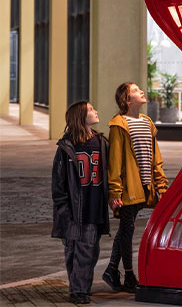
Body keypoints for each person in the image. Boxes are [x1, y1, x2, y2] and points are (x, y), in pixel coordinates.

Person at [102, 82, 169, 292]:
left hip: (145, 186)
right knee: (127, 229)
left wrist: (161, 185)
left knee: (125, 228)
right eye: (135, 90)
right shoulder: (119, 125)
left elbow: (155, 158)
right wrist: (114, 191)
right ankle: (129, 275)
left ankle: (112, 269)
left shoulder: (147, 122)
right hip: (129, 187)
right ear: (127, 100)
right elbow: (114, 162)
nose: (141, 91)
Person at [51, 101, 110, 304]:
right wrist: (63, 208)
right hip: (71, 211)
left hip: (93, 208)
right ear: (81, 117)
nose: (96, 111)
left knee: (88, 251)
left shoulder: (101, 143)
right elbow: (58, 182)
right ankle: (78, 288)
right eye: (91, 110)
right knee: (72, 252)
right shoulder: (66, 147)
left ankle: (79, 291)